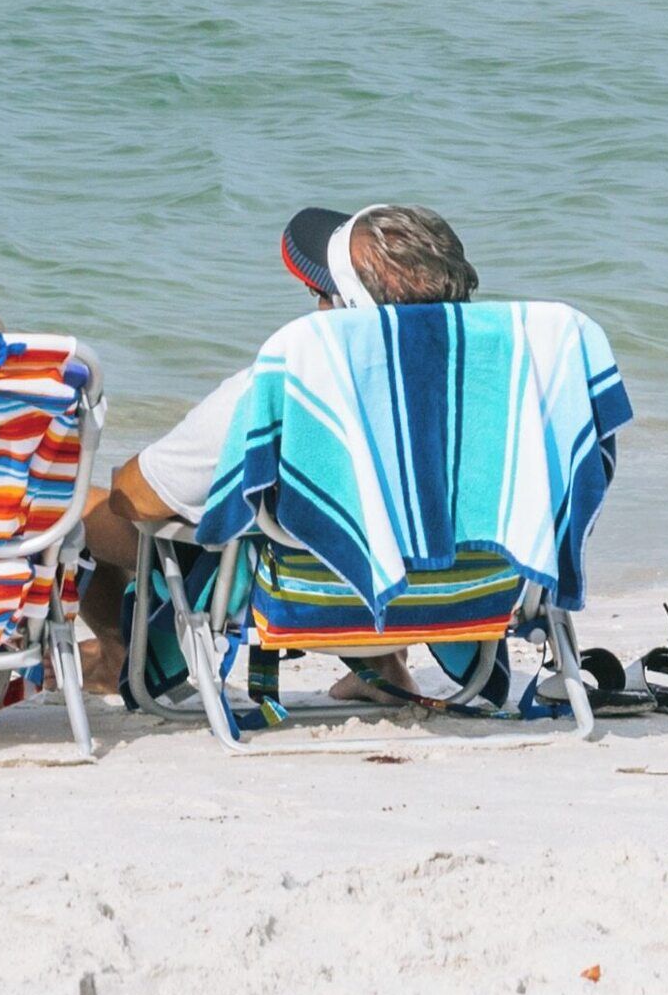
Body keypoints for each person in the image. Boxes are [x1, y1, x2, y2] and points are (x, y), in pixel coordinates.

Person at [80, 204, 479, 699]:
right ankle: (384, 665)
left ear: (345, 311)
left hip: (308, 591)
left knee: (81, 506)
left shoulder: (286, 388)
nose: (317, 308)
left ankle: (116, 655)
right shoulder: (490, 395)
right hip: (445, 593)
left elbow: (140, 498)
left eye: (322, 295)